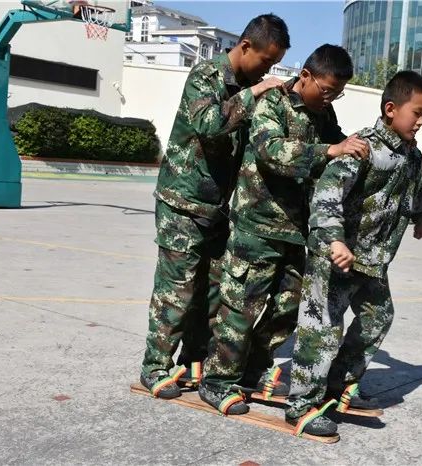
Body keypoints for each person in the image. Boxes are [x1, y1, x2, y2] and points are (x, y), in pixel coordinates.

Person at [198, 45, 368, 414]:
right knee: (241, 307)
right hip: (256, 225)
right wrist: (329, 151)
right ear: (305, 76)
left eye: (337, 93)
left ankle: (251, 372)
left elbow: (338, 143)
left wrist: (356, 147)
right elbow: (270, 150)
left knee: (286, 310)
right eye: (327, 90)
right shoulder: (273, 101)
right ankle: (216, 381)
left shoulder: (323, 112)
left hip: (294, 229)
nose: (330, 98)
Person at [140, 14, 291, 399]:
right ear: (246, 46)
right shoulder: (205, 76)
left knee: (212, 292)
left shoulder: (249, 87)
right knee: (177, 290)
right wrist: (255, 94)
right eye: (266, 61)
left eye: (274, 65)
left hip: (221, 209)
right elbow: (208, 123)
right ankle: (154, 366)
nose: (268, 71)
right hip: (183, 203)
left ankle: (194, 360)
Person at [285, 71, 422, 437]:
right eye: (416, 112)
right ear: (390, 109)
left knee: (378, 316)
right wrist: (335, 240)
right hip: (337, 255)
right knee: (322, 326)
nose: (421, 121)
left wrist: (421, 219)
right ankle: (301, 405)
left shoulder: (412, 156)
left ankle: (338, 386)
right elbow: (327, 195)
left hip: (371, 259)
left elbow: (415, 193)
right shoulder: (363, 147)